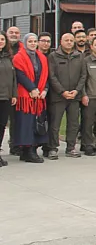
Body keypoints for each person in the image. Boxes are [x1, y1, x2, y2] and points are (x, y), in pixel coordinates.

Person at [46, 32, 84, 159]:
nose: (69, 42)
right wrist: (62, 91)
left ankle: (71, 147)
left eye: (71, 40)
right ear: (61, 42)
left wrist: (76, 91)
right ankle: (53, 148)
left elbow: (83, 75)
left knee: (73, 123)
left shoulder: (79, 56)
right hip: (58, 96)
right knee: (55, 124)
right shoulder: (53, 56)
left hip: (74, 96)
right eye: (66, 40)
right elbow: (51, 76)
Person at [12, 33, 48, 163]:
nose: (33, 44)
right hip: (25, 96)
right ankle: (27, 151)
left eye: (35, 41)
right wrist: (32, 88)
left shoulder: (42, 57)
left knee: (36, 123)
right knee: (26, 124)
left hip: (39, 95)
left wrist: (44, 89)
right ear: (25, 43)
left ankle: (32, 149)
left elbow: (45, 74)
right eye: (30, 41)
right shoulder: (18, 57)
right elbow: (20, 75)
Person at [0, 31, 17, 167]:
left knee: (2, 126)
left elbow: (13, 78)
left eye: (2, 39)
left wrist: (14, 94)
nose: (0, 41)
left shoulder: (8, 57)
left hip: (6, 97)